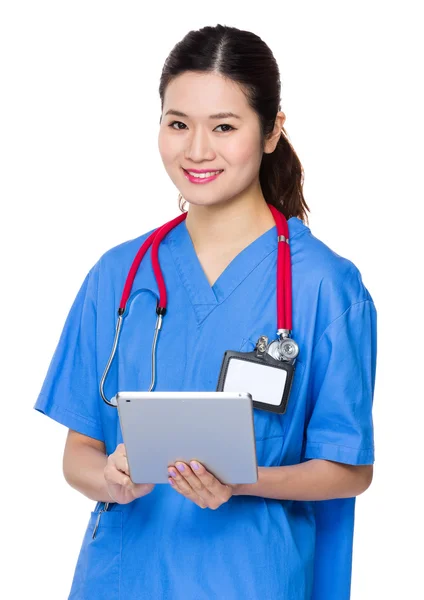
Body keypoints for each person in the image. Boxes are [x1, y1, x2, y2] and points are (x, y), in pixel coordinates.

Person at [34, 24, 377, 600]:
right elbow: (78, 454)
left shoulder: (326, 287)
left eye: (224, 126)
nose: (196, 150)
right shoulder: (118, 275)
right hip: (120, 579)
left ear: (271, 132)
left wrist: (244, 482)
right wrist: (109, 480)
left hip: (251, 581)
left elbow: (349, 468)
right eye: (177, 124)